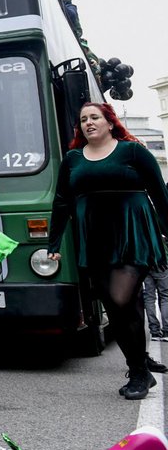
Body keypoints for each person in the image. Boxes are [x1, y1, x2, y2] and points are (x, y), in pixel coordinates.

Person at [48, 102, 168, 401]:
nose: (88, 123)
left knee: (121, 297)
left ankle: (140, 371)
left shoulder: (132, 151)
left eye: (95, 118)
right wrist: (53, 243)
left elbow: (159, 193)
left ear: (110, 122)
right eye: (83, 120)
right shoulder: (73, 159)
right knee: (117, 308)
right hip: (95, 240)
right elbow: (62, 201)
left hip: (132, 234)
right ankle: (139, 361)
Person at [143, 267, 168, 342]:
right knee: (165, 296)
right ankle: (166, 331)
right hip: (161, 265)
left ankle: (154, 332)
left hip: (147, 266)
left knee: (149, 298)